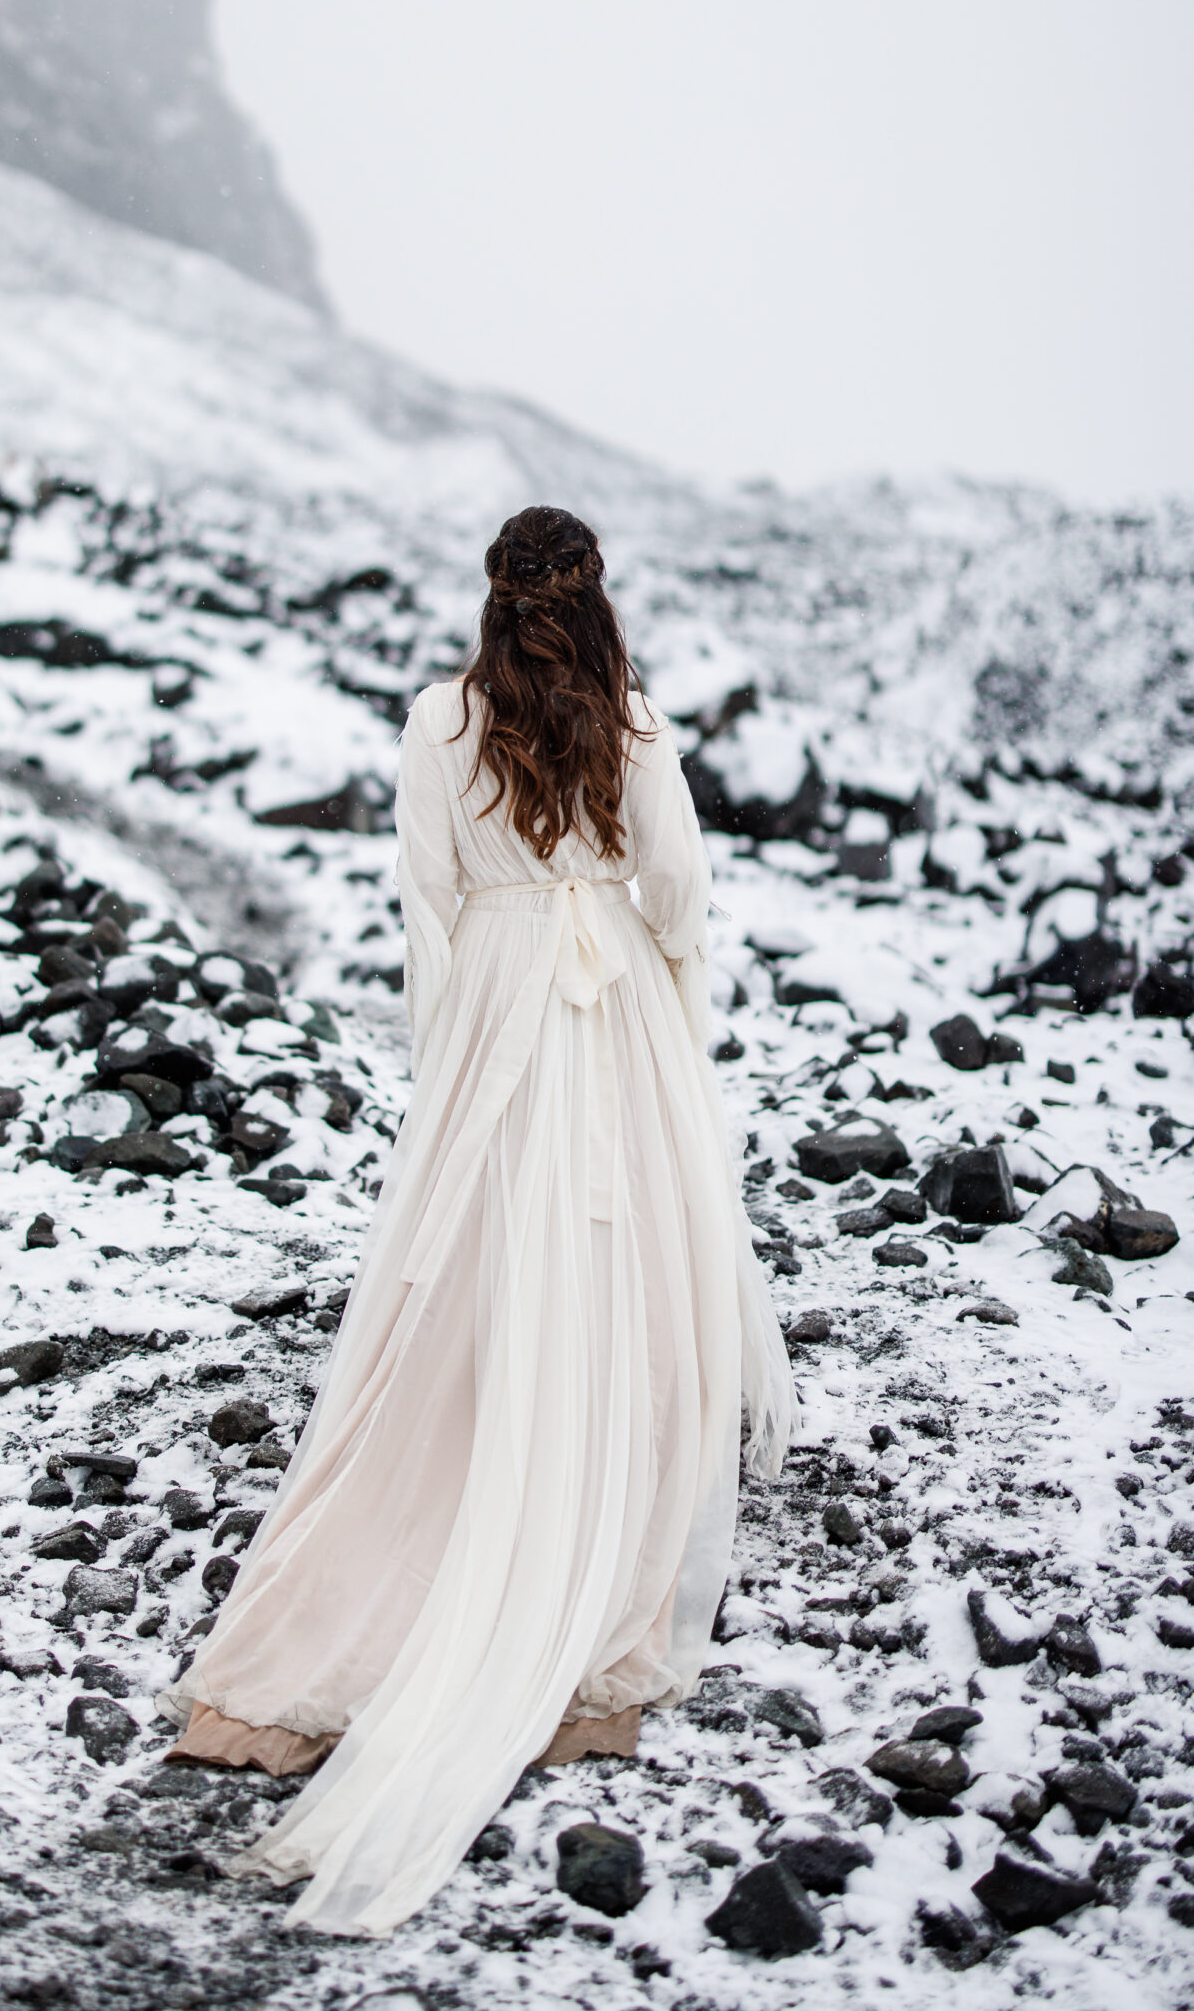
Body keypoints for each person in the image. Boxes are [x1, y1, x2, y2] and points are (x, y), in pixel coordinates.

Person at [158, 504, 798, 1935]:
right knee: (621, 1269)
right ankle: (583, 1542)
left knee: (476, 1274)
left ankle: (392, 1569)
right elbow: (680, 888)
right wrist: (665, 981)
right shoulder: (628, 725)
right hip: (609, 998)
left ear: (492, 599)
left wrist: (451, 1065)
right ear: (595, 599)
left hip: (503, 1005)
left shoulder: (436, 722)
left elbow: (428, 903)